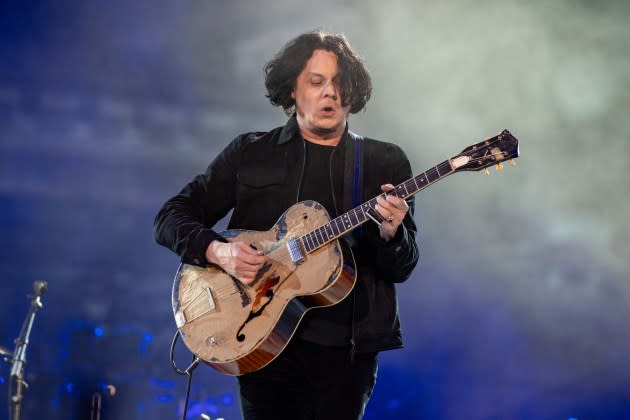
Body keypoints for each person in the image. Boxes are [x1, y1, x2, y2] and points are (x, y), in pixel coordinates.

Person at [154, 30, 419, 420]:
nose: (329, 92)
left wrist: (391, 232)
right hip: (259, 338)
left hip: (344, 355)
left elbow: (404, 265)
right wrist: (220, 251)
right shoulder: (251, 153)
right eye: (316, 82)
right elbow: (170, 216)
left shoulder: (384, 162)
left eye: (339, 83)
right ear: (292, 89)